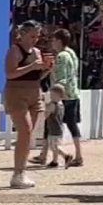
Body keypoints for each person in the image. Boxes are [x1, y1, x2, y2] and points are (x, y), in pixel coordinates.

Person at [4, 20, 45, 189]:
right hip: (17, 93)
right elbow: (10, 73)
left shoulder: (37, 51)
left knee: (28, 135)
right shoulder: (14, 50)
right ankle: (18, 173)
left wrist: (46, 69)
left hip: (35, 92)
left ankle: (22, 171)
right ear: (23, 34)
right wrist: (32, 66)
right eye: (32, 36)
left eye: (37, 36)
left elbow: (37, 76)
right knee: (25, 130)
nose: (35, 39)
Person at [34, 29, 84, 168]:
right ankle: (78, 154)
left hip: (62, 95)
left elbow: (61, 78)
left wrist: (54, 96)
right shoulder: (72, 53)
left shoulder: (61, 56)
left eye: (54, 40)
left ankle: (45, 155)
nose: (52, 43)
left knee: (51, 124)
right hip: (73, 93)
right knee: (72, 124)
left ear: (59, 41)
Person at [42, 84, 70, 168]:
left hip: (53, 128)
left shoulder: (53, 104)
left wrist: (45, 108)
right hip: (60, 127)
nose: (50, 96)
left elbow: (46, 115)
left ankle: (66, 156)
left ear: (58, 95)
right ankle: (54, 161)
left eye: (52, 95)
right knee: (55, 145)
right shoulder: (61, 104)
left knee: (53, 146)